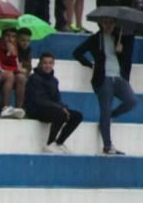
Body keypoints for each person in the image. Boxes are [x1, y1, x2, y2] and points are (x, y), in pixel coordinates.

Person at [73, 16, 136, 155]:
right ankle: (107, 145)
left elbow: (128, 58)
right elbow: (77, 53)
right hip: (104, 78)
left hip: (119, 77)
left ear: (115, 24)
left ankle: (110, 116)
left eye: (111, 23)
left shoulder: (120, 37)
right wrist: (91, 64)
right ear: (100, 24)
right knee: (105, 110)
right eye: (105, 23)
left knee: (131, 101)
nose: (108, 26)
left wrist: (122, 51)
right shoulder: (96, 38)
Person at [26, 53, 85, 153]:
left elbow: (57, 99)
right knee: (60, 113)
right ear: (40, 63)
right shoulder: (34, 78)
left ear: (53, 64)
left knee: (77, 116)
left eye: (50, 63)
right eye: (45, 63)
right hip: (36, 109)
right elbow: (38, 100)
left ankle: (59, 143)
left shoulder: (54, 80)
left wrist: (63, 106)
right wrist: (59, 108)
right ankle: (49, 143)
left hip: (51, 108)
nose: (47, 65)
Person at [0, 28, 27, 119]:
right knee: (10, 75)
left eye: (13, 36)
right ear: (2, 36)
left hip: (3, 73)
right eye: (8, 36)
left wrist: (13, 55)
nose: (10, 39)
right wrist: (17, 69)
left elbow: (15, 65)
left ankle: (19, 109)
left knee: (21, 77)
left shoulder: (13, 47)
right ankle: (5, 107)